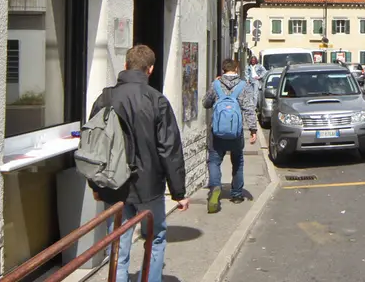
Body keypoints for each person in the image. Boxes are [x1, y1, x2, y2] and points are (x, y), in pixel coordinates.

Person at [88, 45, 189, 282]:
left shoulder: (105, 98)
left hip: (114, 184)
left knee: (118, 245)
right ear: (150, 69)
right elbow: (169, 149)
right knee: (155, 236)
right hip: (149, 186)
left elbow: (92, 144)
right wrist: (179, 191)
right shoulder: (157, 100)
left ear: (125, 65)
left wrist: (95, 185)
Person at [203, 58, 259, 213]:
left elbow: (205, 103)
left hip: (217, 132)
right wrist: (253, 130)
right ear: (236, 69)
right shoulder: (243, 85)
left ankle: (215, 187)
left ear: (223, 69)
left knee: (214, 161)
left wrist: (214, 89)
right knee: (238, 162)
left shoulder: (216, 84)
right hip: (236, 133)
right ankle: (236, 195)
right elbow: (249, 108)